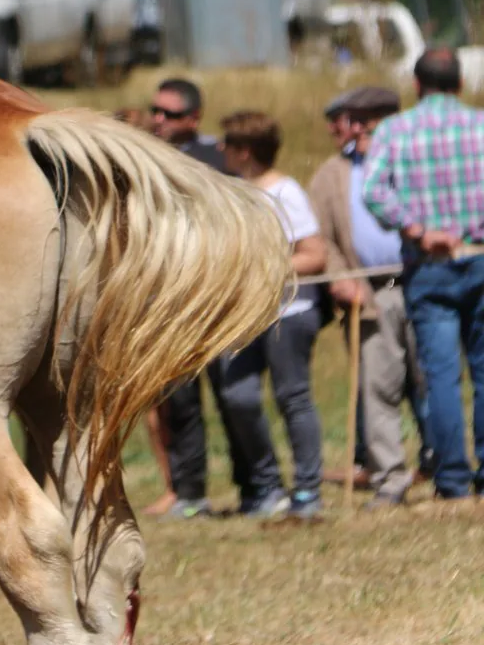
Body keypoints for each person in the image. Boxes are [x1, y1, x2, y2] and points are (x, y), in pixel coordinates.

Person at [364, 48, 484, 501]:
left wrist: (416, 228)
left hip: (428, 266)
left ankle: (453, 477)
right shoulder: (480, 124)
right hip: (479, 255)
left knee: (441, 375)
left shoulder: (396, 131)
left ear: (417, 85)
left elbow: (374, 189)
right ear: (460, 82)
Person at [150, 77, 267, 518]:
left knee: (233, 396)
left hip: (218, 297)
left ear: (193, 119)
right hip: (167, 302)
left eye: (170, 114)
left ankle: (255, 486)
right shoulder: (145, 156)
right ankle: (190, 491)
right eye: (155, 111)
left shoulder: (219, 159)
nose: (159, 119)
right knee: (179, 403)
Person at [309, 86, 430, 508]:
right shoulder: (331, 174)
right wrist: (340, 278)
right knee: (378, 389)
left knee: (431, 382)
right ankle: (390, 479)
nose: (356, 130)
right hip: (371, 293)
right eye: (351, 120)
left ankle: (442, 465)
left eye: (366, 120)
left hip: (423, 281)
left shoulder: (416, 158)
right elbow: (321, 238)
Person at [221, 111, 329, 519]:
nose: (221, 151)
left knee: (292, 397)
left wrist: (267, 271)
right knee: (237, 395)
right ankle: (267, 486)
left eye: (228, 145)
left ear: (244, 151)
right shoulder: (231, 190)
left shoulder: (287, 193)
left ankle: (307, 491)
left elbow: (315, 255)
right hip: (244, 316)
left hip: (290, 312)